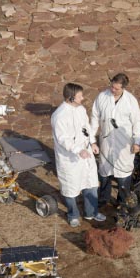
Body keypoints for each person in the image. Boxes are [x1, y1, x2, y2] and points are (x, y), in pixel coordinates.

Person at [51, 83, 106, 227]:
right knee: (71, 188)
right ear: (71, 98)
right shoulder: (59, 115)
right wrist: (78, 150)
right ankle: (73, 214)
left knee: (91, 183)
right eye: (80, 96)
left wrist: (93, 143)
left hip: (86, 155)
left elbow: (86, 129)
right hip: (70, 159)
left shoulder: (81, 109)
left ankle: (91, 212)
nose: (83, 98)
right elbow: (63, 139)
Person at [91, 73, 140, 208]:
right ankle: (103, 200)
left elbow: (137, 122)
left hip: (124, 145)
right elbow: (94, 118)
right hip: (106, 143)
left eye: (116, 89)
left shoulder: (131, 101)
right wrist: (92, 140)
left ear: (123, 88)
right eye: (112, 87)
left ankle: (123, 202)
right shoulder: (102, 97)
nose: (113, 90)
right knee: (104, 173)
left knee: (123, 175)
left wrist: (137, 141)